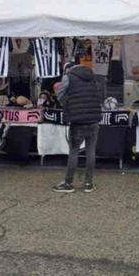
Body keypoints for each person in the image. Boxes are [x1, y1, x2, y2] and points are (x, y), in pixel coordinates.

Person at [53, 62, 102, 193]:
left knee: (74, 152)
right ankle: (88, 184)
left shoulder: (68, 77)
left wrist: (69, 102)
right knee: (91, 152)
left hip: (78, 121)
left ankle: (68, 184)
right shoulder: (92, 76)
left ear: (67, 69)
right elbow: (99, 95)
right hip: (94, 120)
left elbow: (60, 96)